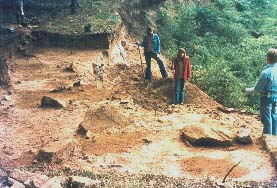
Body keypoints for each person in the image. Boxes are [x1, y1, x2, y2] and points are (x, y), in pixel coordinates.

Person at [246, 48, 277, 136]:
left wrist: (247, 90)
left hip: (266, 98)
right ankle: (274, 139)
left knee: (267, 119)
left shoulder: (266, 72)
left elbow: (257, 89)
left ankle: (268, 139)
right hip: (276, 97)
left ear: (268, 58)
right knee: (274, 117)